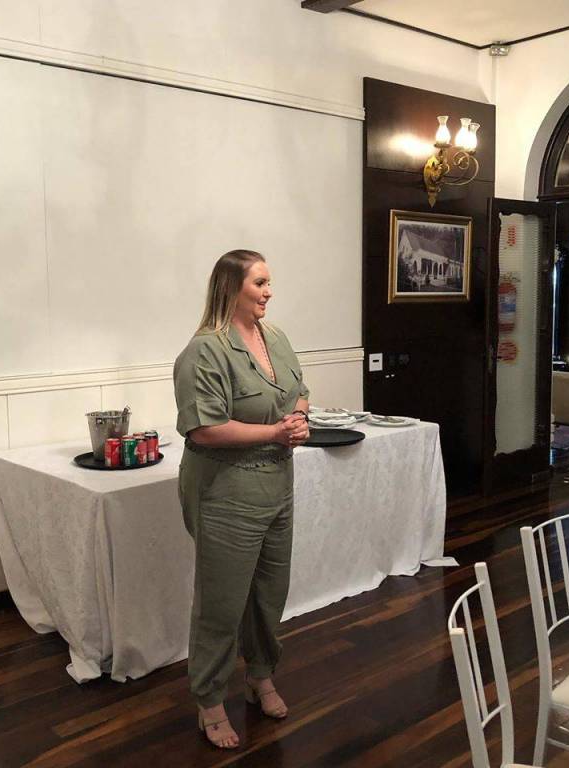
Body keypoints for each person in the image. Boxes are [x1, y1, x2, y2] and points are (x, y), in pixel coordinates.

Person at [173, 249, 310, 749]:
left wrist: (300, 419)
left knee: (270, 594)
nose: (269, 291)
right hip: (226, 492)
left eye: (269, 282)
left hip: (277, 486)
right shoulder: (204, 351)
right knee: (222, 603)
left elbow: (299, 391)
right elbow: (204, 429)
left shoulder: (276, 338)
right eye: (260, 283)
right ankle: (209, 701)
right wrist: (276, 432)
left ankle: (260, 677)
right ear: (231, 288)